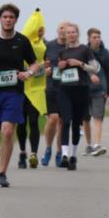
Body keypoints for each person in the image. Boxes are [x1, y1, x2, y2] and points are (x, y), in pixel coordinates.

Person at [0, 4, 40, 187]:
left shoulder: (22, 41)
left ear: (16, 20)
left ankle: (2, 173)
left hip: (14, 93)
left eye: (11, 17)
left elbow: (34, 63)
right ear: (0, 18)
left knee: (7, 131)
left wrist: (28, 74)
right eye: (5, 17)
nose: (8, 20)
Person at [55, 22, 101, 170]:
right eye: (68, 32)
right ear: (65, 35)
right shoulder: (62, 52)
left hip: (81, 89)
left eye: (73, 32)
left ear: (78, 34)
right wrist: (60, 68)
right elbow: (59, 73)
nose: (71, 35)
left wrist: (80, 64)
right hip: (65, 90)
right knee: (65, 121)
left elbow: (95, 69)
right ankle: (64, 155)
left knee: (76, 123)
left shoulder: (85, 50)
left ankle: (73, 156)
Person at [18, 9, 47, 169]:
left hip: (36, 89)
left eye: (43, 28)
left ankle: (33, 153)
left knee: (34, 121)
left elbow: (45, 64)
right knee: (21, 123)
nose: (42, 31)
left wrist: (43, 69)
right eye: (39, 28)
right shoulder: (21, 42)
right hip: (21, 88)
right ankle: (22, 152)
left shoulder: (44, 45)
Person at [40, 23, 67, 166]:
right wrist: (46, 70)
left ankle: (59, 152)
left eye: (66, 29)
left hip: (67, 89)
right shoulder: (49, 45)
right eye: (61, 28)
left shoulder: (73, 48)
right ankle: (48, 149)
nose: (63, 31)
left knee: (62, 122)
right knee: (53, 119)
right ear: (57, 30)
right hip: (51, 87)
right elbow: (45, 64)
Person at [82, 28, 109, 156]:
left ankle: (97, 145)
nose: (97, 39)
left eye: (99, 37)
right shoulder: (83, 51)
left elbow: (108, 71)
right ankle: (89, 145)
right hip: (84, 89)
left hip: (100, 90)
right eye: (94, 37)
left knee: (98, 117)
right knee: (86, 119)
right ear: (88, 39)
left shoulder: (105, 53)